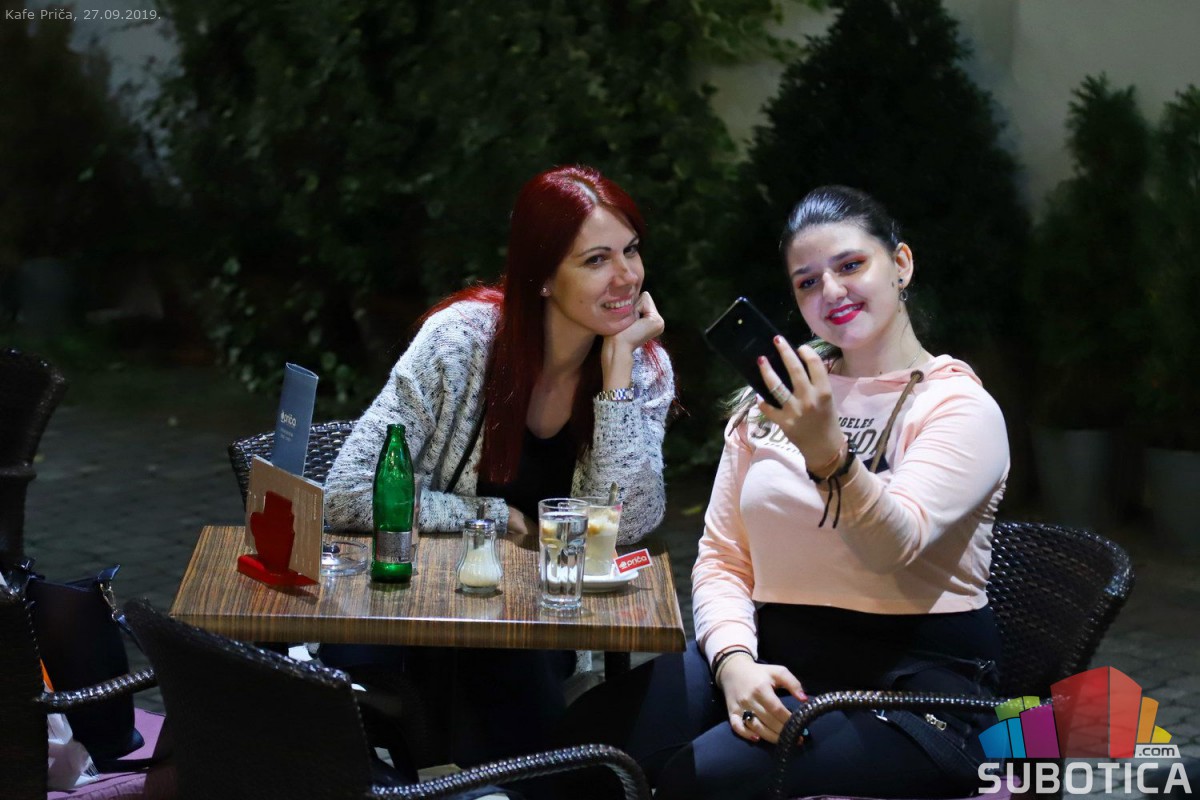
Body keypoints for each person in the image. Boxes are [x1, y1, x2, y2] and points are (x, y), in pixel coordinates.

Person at [560, 185, 1009, 800]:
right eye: (808, 281)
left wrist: (830, 456)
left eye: (851, 265)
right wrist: (733, 661)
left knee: (699, 780)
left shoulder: (957, 406)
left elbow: (893, 547)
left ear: (901, 264)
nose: (832, 291)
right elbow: (722, 557)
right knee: (581, 749)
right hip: (776, 661)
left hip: (913, 692)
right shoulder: (770, 402)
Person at [321, 164, 675, 772]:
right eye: (596, 260)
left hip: (525, 627)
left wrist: (616, 378)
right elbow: (349, 494)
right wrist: (495, 518)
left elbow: (625, 526)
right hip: (409, 611)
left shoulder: (642, 368)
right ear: (542, 278)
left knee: (510, 653)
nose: (626, 276)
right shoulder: (458, 342)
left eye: (631, 250)